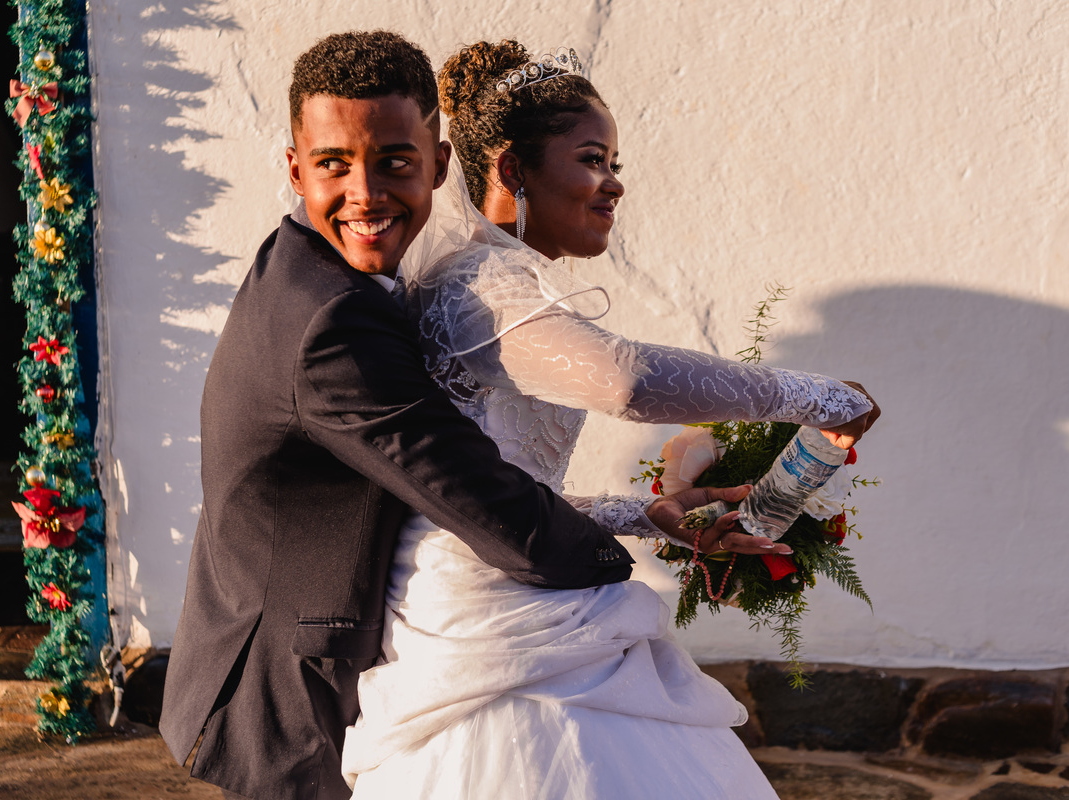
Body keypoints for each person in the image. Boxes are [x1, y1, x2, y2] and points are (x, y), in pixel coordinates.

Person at [158, 31, 771, 800]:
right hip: (285, 687)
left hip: (354, 636)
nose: (367, 193)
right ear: (293, 169)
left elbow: (460, 483)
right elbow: (486, 495)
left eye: (394, 163)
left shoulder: (334, 270)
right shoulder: (328, 322)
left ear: (441, 165)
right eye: (333, 166)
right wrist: (614, 588)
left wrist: (646, 514)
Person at [339, 41, 880, 798]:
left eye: (617, 161)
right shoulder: (479, 285)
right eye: (593, 158)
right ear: (511, 171)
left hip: (517, 586)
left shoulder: (495, 282)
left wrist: (649, 514)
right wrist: (823, 399)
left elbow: (493, 497)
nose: (615, 183)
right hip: (494, 636)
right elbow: (626, 381)